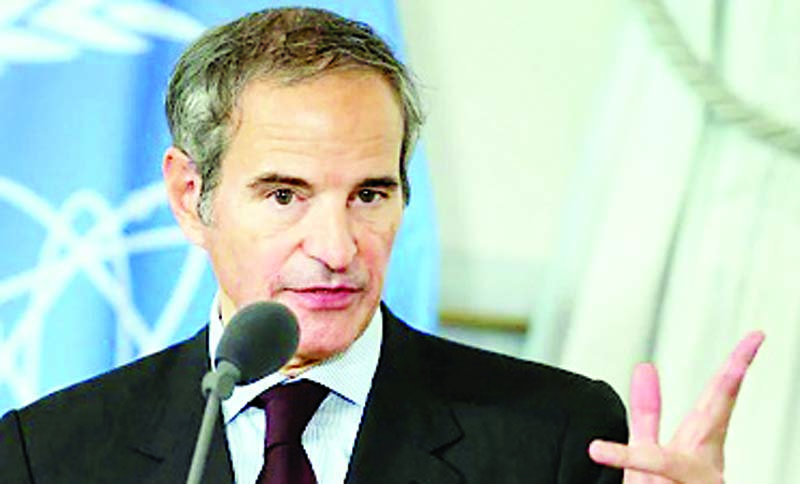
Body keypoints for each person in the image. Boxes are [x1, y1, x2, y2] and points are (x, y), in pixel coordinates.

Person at [0, 7, 763, 484]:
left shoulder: (554, 437)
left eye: (369, 194)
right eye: (285, 195)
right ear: (189, 197)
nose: (336, 248)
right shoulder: (49, 456)